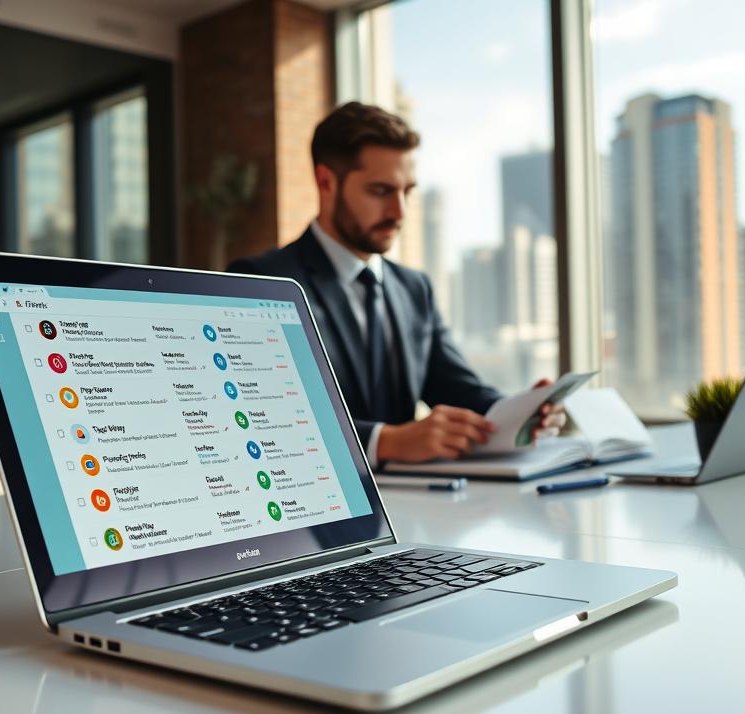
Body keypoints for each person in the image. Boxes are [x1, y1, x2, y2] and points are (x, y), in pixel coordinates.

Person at [230, 102, 565, 464]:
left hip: (419, 507)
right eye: (380, 191)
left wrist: (519, 413)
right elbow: (266, 419)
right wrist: (384, 442)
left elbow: (458, 391)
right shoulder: (261, 282)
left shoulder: (413, 289)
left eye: (407, 191)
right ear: (326, 182)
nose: (399, 212)